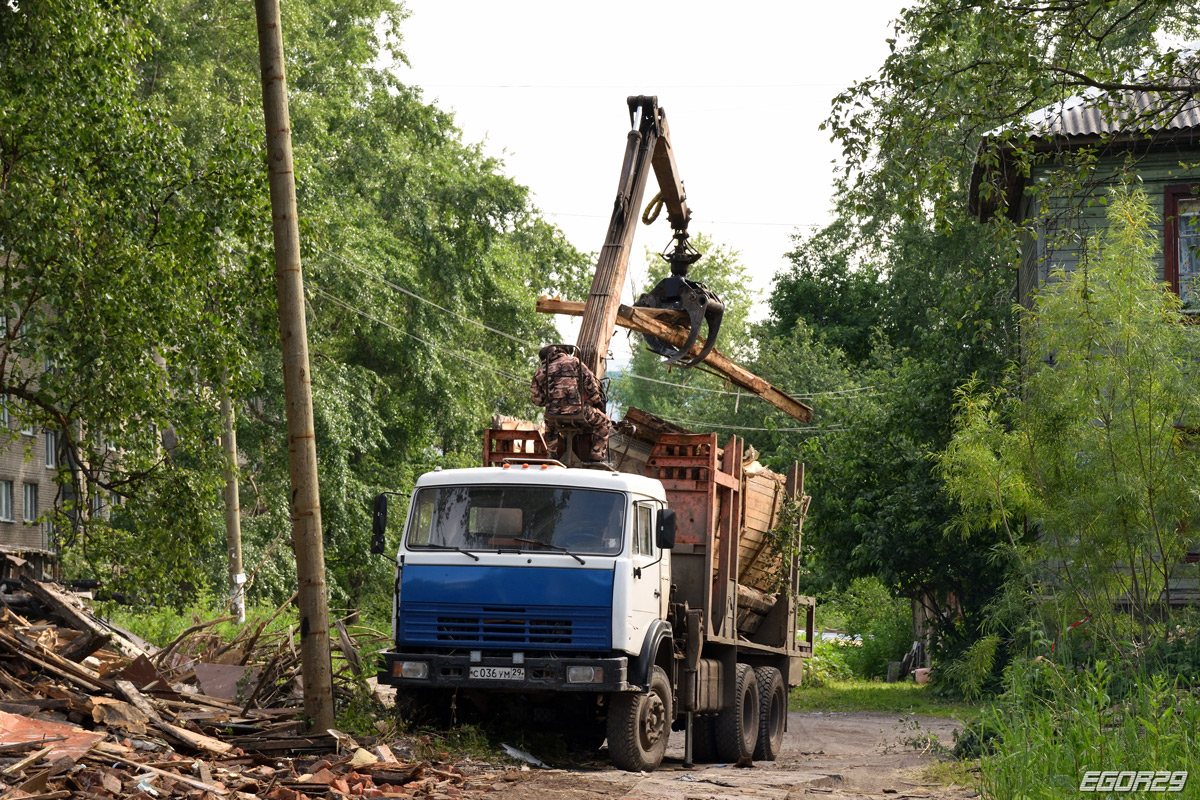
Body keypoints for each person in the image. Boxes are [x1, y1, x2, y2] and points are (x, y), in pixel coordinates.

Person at [530, 344, 611, 463]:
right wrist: (596, 401)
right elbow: (590, 382)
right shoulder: (573, 361)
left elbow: (537, 400)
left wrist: (553, 401)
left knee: (551, 427)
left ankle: (551, 456)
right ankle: (596, 457)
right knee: (605, 422)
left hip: (553, 414)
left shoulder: (539, 371)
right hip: (578, 411)